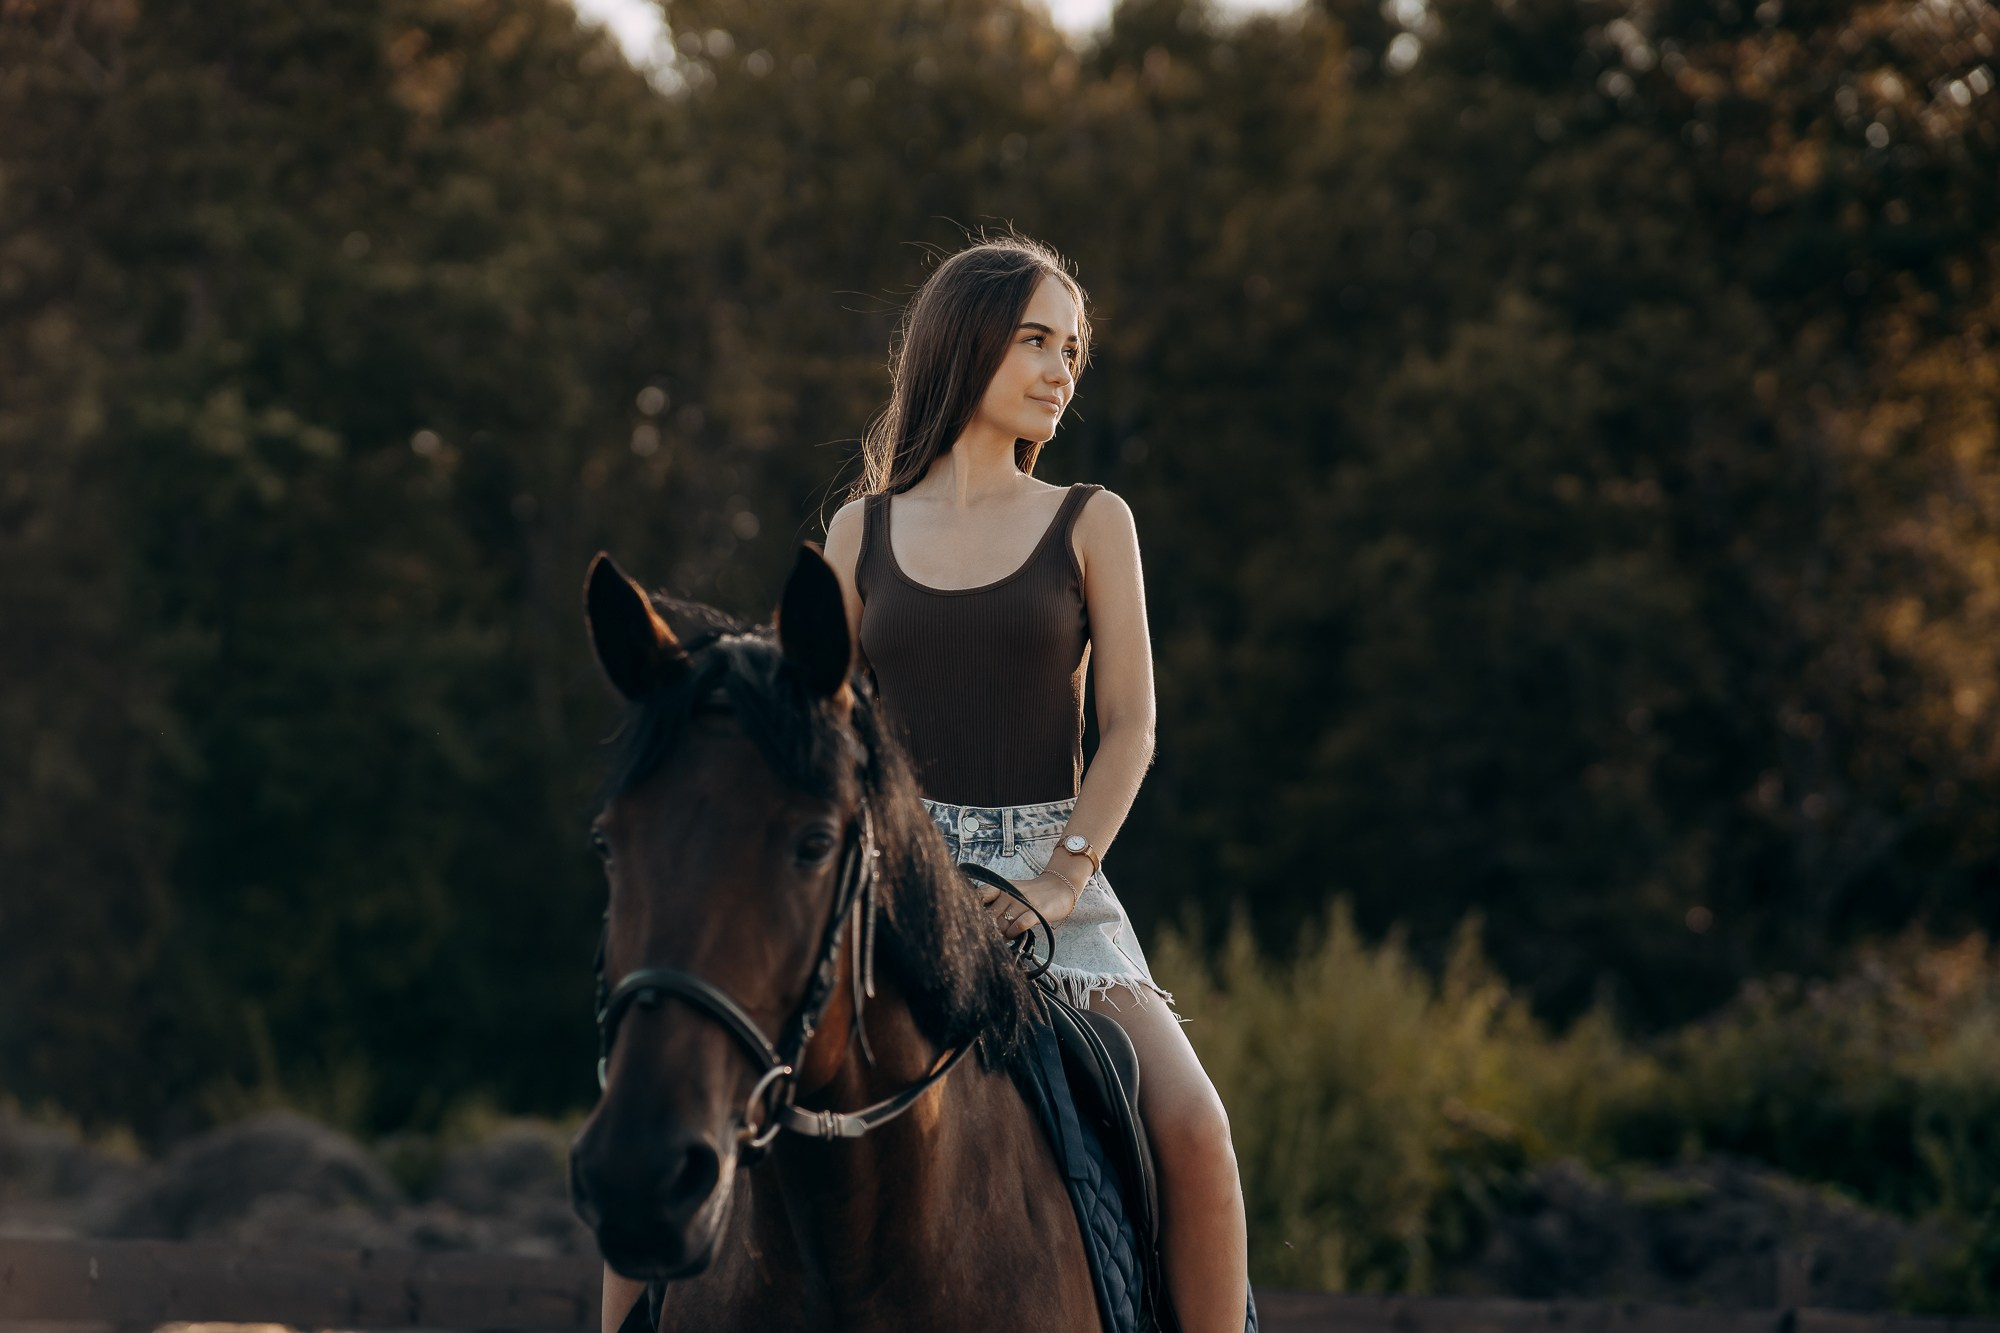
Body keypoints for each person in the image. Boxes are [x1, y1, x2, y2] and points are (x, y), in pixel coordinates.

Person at [818, 234, 1250, 1331]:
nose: (1062, 369)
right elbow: (817, 733)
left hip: (1053, 880)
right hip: (893, 882)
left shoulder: (1091, 519)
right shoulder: (856, 533)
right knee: (692, 1089)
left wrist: (1059, 882)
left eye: (1072, 349)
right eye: (1036, 341)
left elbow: (1130, 726)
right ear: (965, 344)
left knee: (1194, 1129)